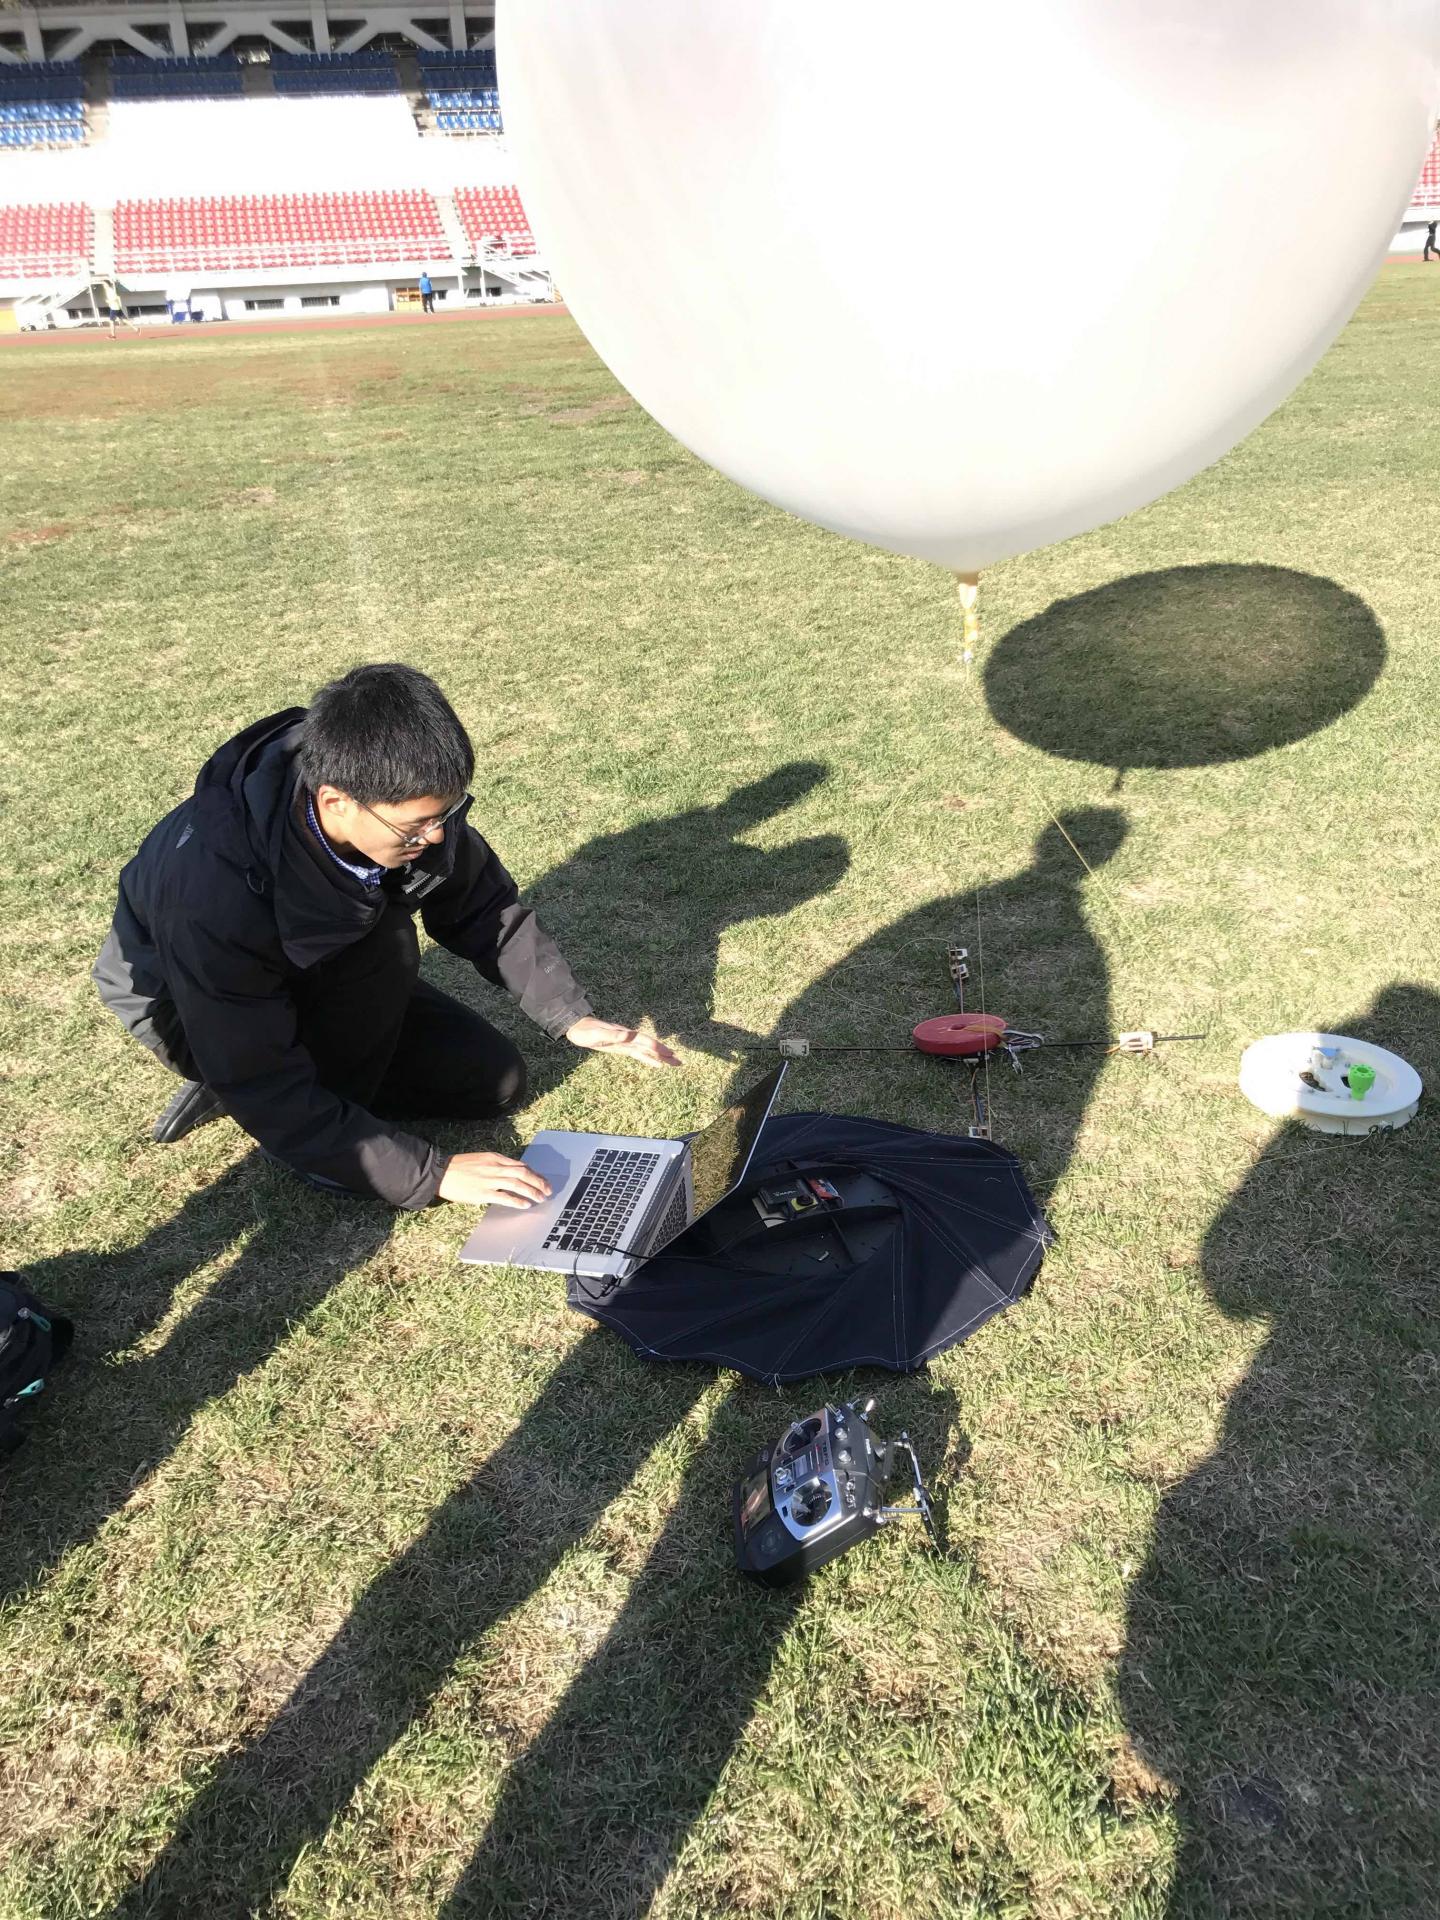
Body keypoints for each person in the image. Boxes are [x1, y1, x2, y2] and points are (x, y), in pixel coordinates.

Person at [93, 663, 680, 1212]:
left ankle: (309, 1088)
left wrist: (569, 1015)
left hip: (320, 970)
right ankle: (294, 1132)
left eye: (445, 815)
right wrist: (432, 1173)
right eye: (417, 825)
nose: (435, 837)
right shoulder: (212, 894)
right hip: (185, 1008)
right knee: (382, 947)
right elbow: (256, 1070)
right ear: (336, 802)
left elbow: (481, 906)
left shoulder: (395, 798)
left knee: (493, 1081)